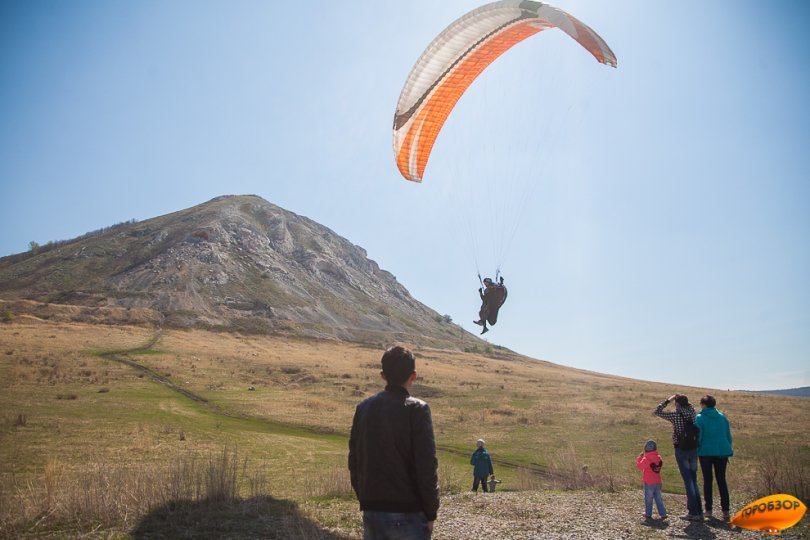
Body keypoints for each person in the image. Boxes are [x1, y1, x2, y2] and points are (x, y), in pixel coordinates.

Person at [349, 346, 440, 539]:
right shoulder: (418, 409)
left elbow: (354, 460)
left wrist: (366, 499)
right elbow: (426, 465)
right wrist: (431, 511)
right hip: (410, 511)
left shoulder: (363, 407)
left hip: (372, 511)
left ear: (383, 375)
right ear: (413, 376)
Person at [654, 393, 702, 521]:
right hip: (693, 448)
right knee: (693, 479)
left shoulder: (676, 415)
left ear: (677, 403)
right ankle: (699, 511)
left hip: (681, 448)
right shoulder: (692, 412)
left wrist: (667, 400)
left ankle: (693, 512)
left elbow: (657, 411)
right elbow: (690, 405)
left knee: (688, 481)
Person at [695, 395, 733, 521]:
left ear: (704, 404)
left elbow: (699, 436)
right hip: (722, 451)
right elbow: (728, 436)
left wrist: (698, 448)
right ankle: (726, 510)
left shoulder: (700, 418)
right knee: (722, 480)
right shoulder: (722, 417)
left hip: (705, 452)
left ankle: (709, 510)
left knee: (708, 480)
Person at [635, 439, 668, 521]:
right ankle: (663, 513)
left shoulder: (646, 458)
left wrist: (639, 458)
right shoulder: (659, 457)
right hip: (658, 481)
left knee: (648, 498)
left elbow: (640, 466)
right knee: (658, 498)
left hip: (649, 481)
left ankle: (648, 513)